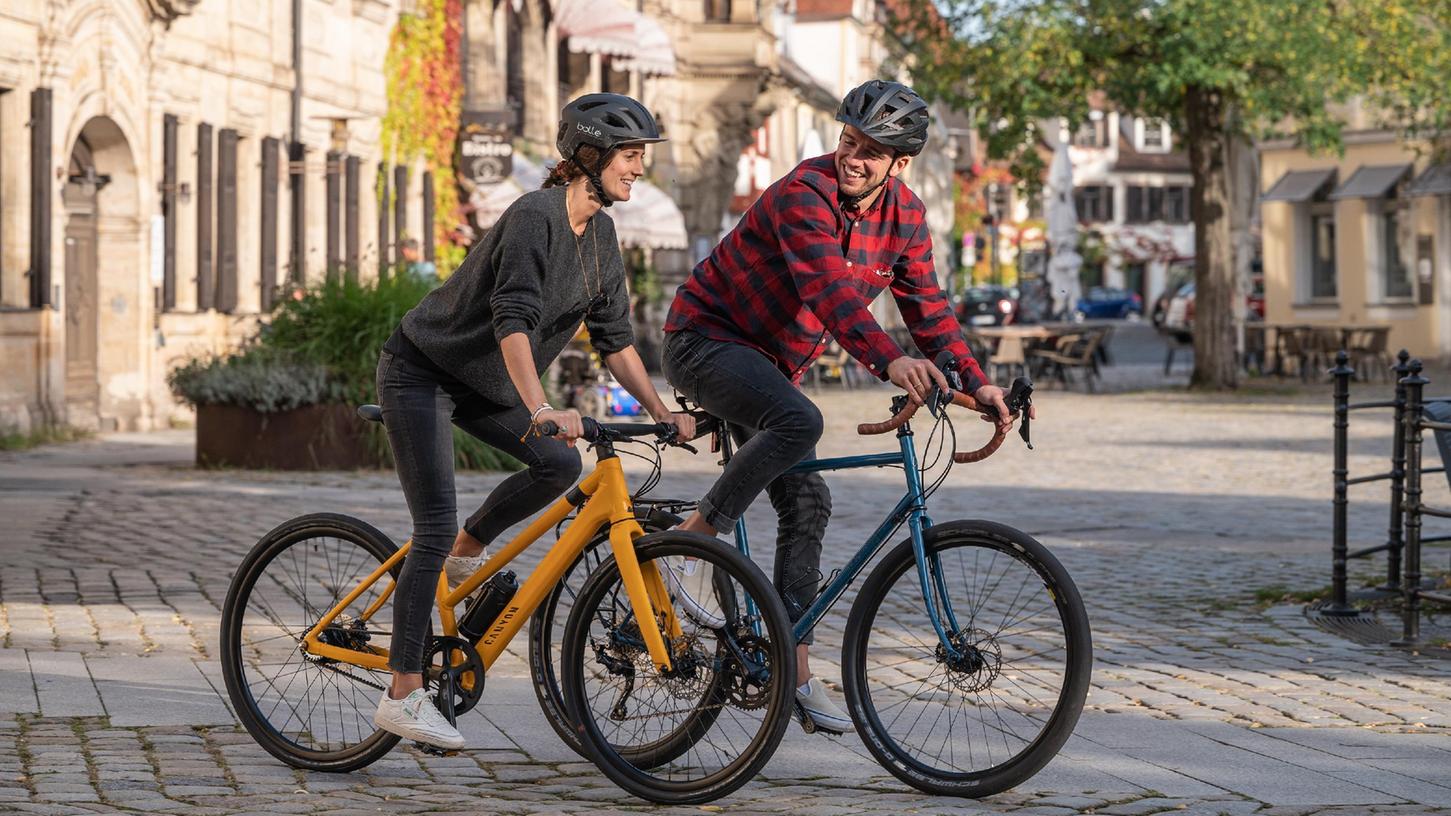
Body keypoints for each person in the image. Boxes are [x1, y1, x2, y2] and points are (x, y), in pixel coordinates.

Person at [660, 79, 1030, 735]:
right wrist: (888, 359)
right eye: (848, 142)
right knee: (801, 418)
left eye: (871, 150)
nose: (852, 158)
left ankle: (791, 671)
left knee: (808, 502)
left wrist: (979, 385)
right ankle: (689, 543)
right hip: (704, 341)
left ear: (899, 164)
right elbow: (829, 292)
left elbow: (932, 317)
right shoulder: (804, 193)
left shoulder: (907, 219)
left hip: (770, 368)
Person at [372, 93, 694, 750]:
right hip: (422, 371)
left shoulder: (600, 234)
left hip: (484, 384)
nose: (637, 169)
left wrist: (663, 412)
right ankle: (403, 692)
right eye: (630, 156)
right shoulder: (533, 218)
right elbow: (511, 321)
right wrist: (543, 407)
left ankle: (470, 549)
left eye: (639, 158)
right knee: (429, 525)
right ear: (591, 155)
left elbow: (615, 339)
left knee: (556, 464)